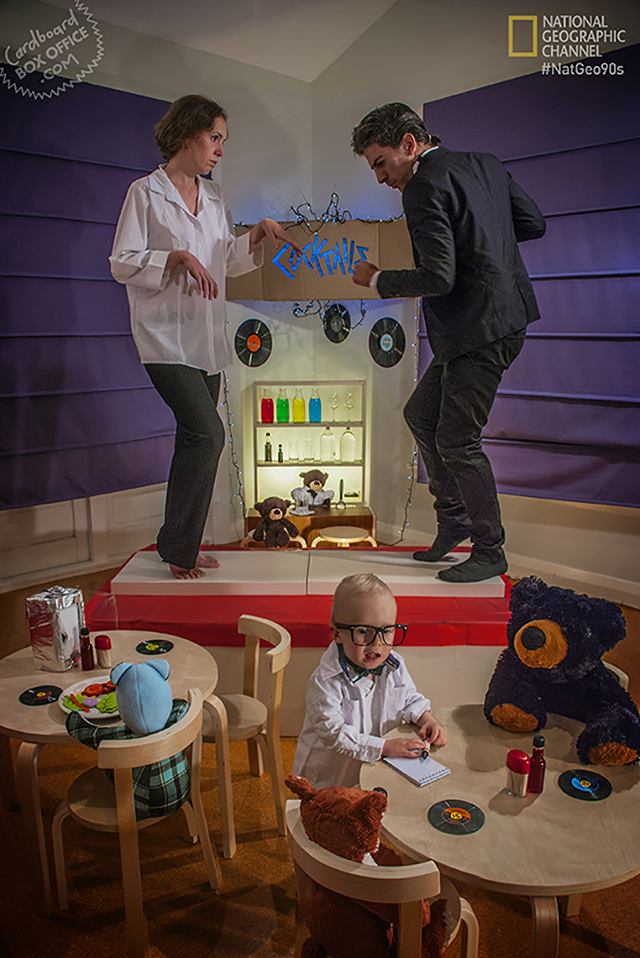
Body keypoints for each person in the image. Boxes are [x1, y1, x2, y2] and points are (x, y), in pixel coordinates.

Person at [350, 103, 546, 583]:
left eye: (381, 163)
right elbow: (532, 223)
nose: (380, 177)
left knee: (458, 440)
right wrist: (485, 242)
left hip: (478, 329)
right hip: (498, 322)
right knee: (421, 414)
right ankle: (455, 519)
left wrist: (377, 280)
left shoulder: (421, 186)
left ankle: (490, 549)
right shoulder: (486, 164)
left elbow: (438, 277)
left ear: (409, 144)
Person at [110, 95, 300, 579]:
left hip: (207, 339)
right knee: (208, 434)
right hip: (163, 337)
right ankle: (181, 549)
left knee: (192, 439)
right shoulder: (145, 193)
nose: (220, 149)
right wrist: (174, 257)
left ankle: (176, 545)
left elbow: (226, 261)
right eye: (214, 138)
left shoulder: (215, 196)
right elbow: (122, 262)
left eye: (222, 140)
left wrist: (255, 235)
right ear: (186, 134)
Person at [293, 573, 446, 789]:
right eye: (364, 631)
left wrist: (427, 719)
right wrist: (384, 747)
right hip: (330, 780)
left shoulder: (394, 666)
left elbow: (409, 698)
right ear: (337, 634)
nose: (377, 643)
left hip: (374, 771)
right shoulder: (325, 682)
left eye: (387, 631)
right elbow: (335, 734)